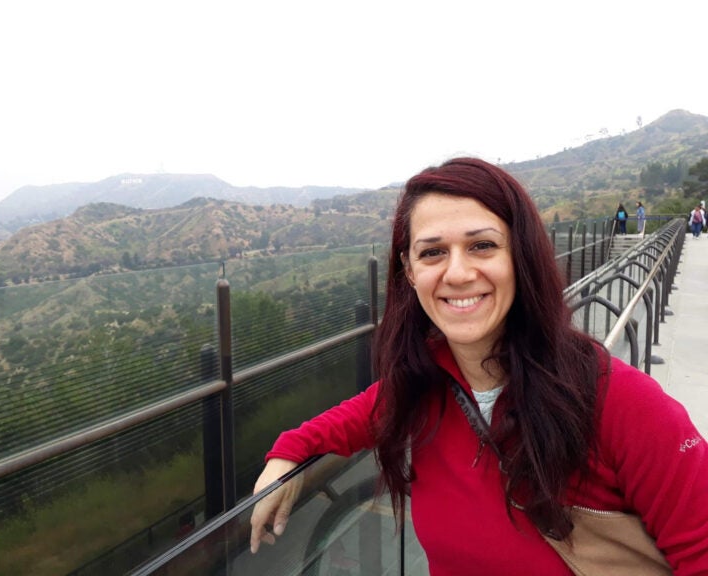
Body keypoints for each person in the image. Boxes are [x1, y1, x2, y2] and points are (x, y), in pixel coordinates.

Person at [250, 158, 708, 574]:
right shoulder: (422, 386)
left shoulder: (620, 403)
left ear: (519, 256)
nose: (457, 273)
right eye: (432, 253)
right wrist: (286, 455)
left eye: (482, 246)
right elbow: (351, 418)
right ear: (409, 272)